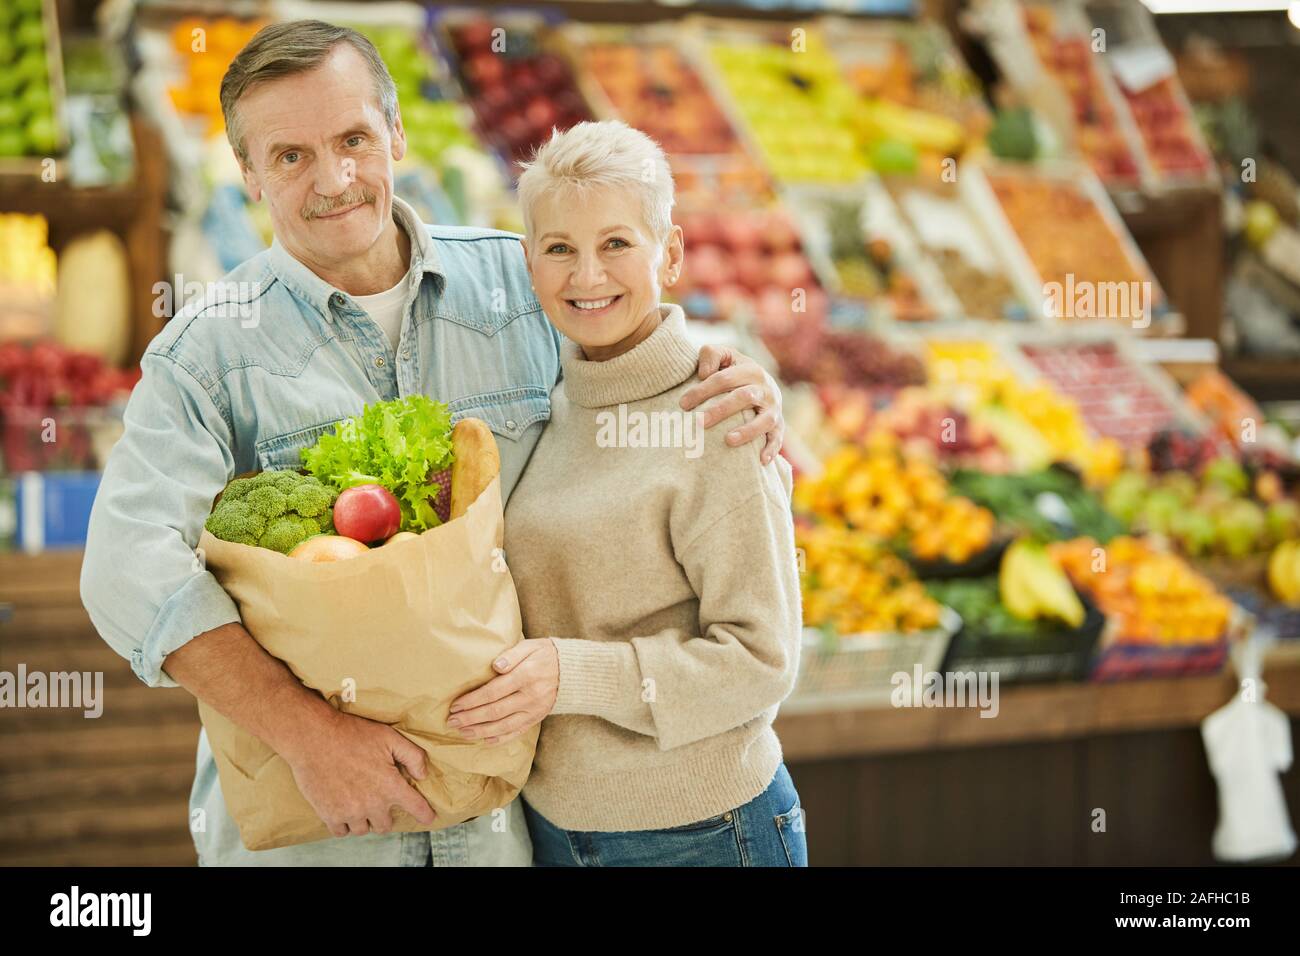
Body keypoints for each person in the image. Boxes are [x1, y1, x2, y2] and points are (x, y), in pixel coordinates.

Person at [79, 20, 787, 867]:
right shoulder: (206, 355)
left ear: (397, 135)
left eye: (353, 139)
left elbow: (625, 329)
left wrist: (732, 372)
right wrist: (309, 734)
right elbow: (126, 569)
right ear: (249, 175)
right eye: (291, 156)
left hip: (510, 827)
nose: (334, 180)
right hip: (325, 836)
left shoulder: (519, 284)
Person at [447, 121, 807, 866]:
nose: (587, 276)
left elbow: (762, 658)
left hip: (703, 831)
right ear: (529, 262)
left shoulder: (720, 416)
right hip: (555, 826)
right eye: (559, 249)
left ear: (668, 252)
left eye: (616, 244)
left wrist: (568, 674)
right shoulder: (548, 400)